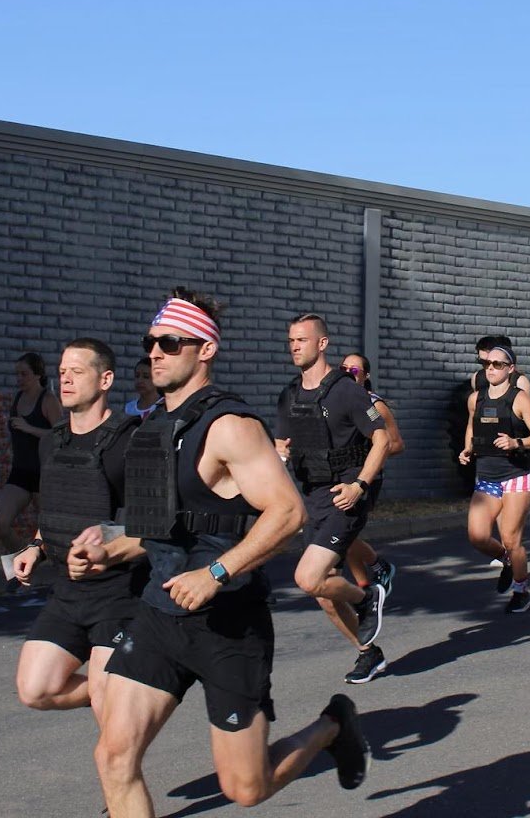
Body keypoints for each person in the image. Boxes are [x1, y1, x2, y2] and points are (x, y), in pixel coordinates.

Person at [70, 289, 369, 816]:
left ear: (204, 349)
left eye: (168, 342)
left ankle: (333, 726)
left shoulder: (231, 426)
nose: (154, 353)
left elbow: (288, 513)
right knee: (113, 758)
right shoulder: (156, 426)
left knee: (246, 789)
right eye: (150, 344)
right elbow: (157, 529)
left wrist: (216, 572)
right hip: (160, 616)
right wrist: (108, 553)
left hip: (227, 623)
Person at [13, 338, 144, 724]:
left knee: (110, 723)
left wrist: (105, 545)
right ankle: (125, 690)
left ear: (105, 380)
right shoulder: (52, 441)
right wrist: (35, 546)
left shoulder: (131, 440)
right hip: (68, 591)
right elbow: (55, 507)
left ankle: (118, 693)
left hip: (120, 593)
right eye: (62, 372)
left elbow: (152, 526)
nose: (65, 380)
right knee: (35, 689)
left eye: (77, 372)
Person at [276, 315, 392, 686]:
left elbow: (383, 439)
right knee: (324, 591)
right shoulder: (290, 395)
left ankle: (366, 597)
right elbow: (284, 445)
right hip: (313, 495)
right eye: (291, 340)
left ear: (322, 344)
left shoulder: (347, 391)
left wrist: (360, 484)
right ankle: (367, 653)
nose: (295, 346)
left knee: (308, 578)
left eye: (302, 340)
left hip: (346, 494)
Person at [459, 342, 530, 613]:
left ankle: (521, 591)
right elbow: (471, 426)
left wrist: (515, 443)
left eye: (498, 364)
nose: (491, 369)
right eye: (487, 364)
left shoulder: (519, 398)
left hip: (516, 475)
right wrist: (468, 449)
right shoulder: (476, 398)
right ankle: (507, 561)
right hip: (486, 475)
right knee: (477, 536)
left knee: (511, 538)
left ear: (511, 369)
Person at [341, 353, 404, 605]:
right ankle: (365, 588)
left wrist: (370, 452)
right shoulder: (338, 401)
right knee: (344, 535)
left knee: (343, 532)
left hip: (366, 478)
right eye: (343, 369)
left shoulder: (373, 406)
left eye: (353, 370)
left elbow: (396, 444)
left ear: (365, 376)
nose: (347, 374)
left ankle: (380, 566)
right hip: (342, 476)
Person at [0, 352, 62, 553]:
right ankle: (21, 561)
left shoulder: (48, 399)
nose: (19, 379)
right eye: (17, 374)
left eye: (24, 374)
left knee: (52, 533)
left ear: (38, 374)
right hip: (21, 471)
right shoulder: (18, 399)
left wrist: (29, 428)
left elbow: (61, 434)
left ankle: (64, 571)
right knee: (0, 524)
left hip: (44, 473)